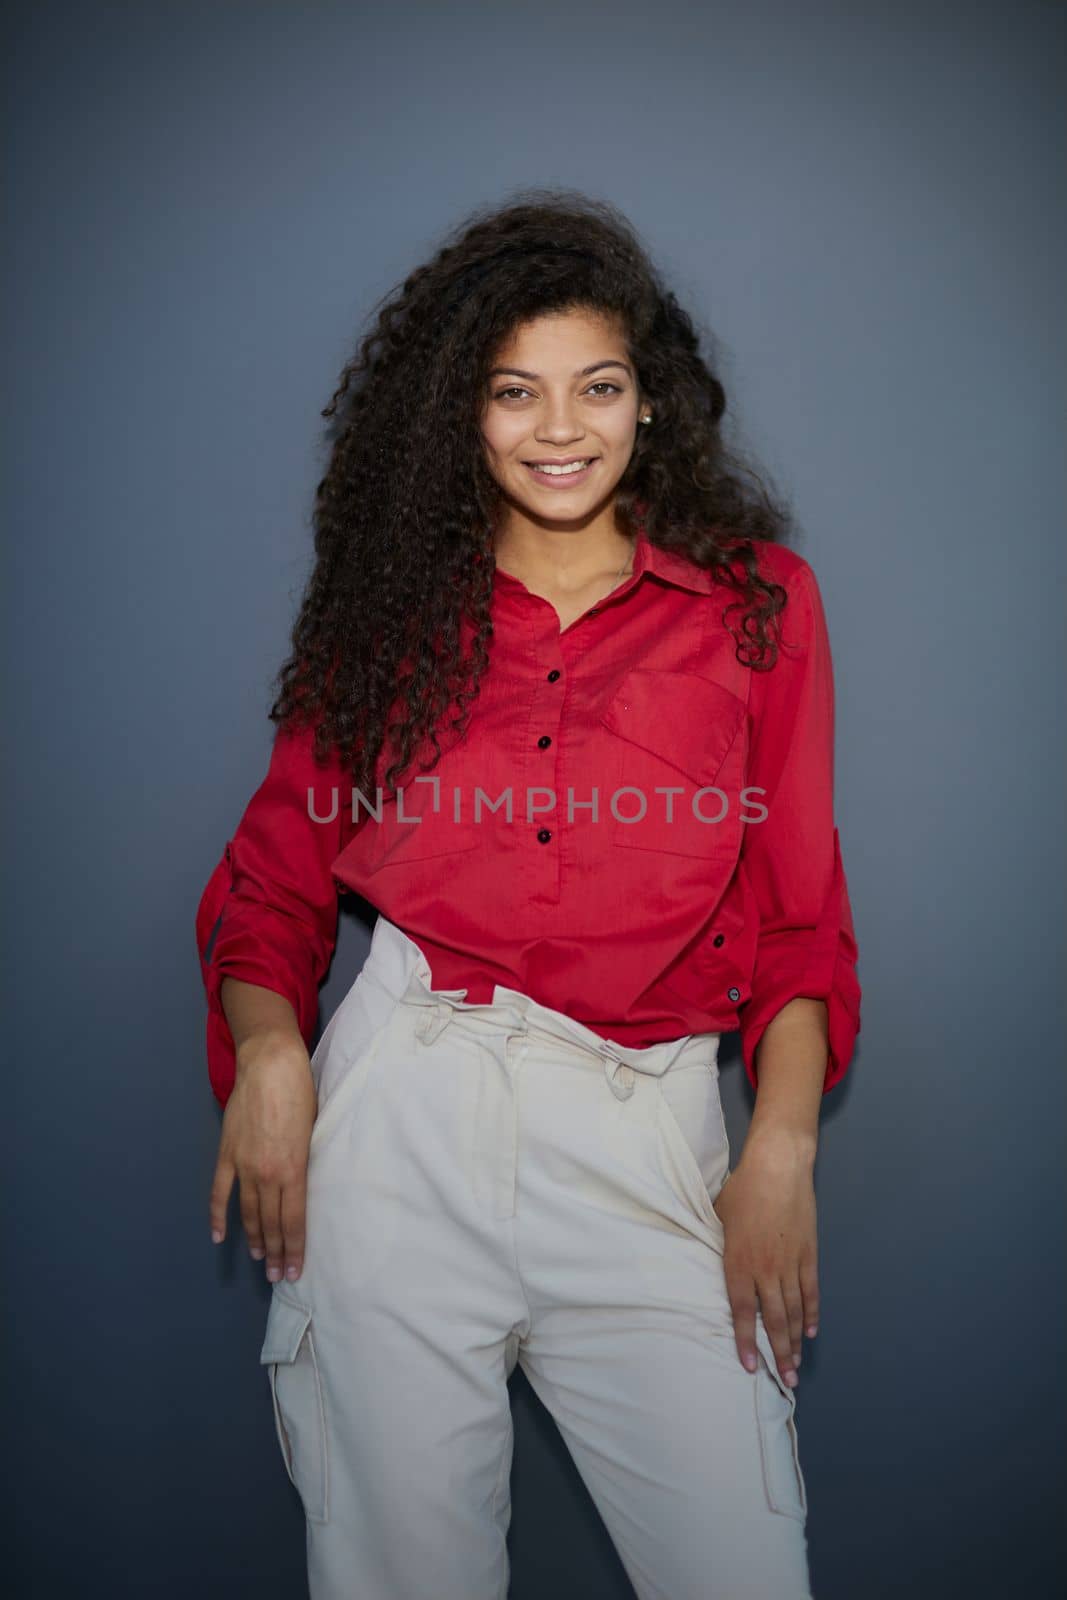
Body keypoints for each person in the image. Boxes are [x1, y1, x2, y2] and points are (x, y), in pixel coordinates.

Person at [195, 190, 861, 1600]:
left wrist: (781, 1149)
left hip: (645, 1134)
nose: (562, 429)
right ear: (461, 416)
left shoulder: (758, 609)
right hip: (398, 1129)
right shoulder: (387, 615)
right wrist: (268, 1052)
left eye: (598, 388)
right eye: (516, 393)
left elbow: (801, 923)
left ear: (651, 404)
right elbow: (269, 888)